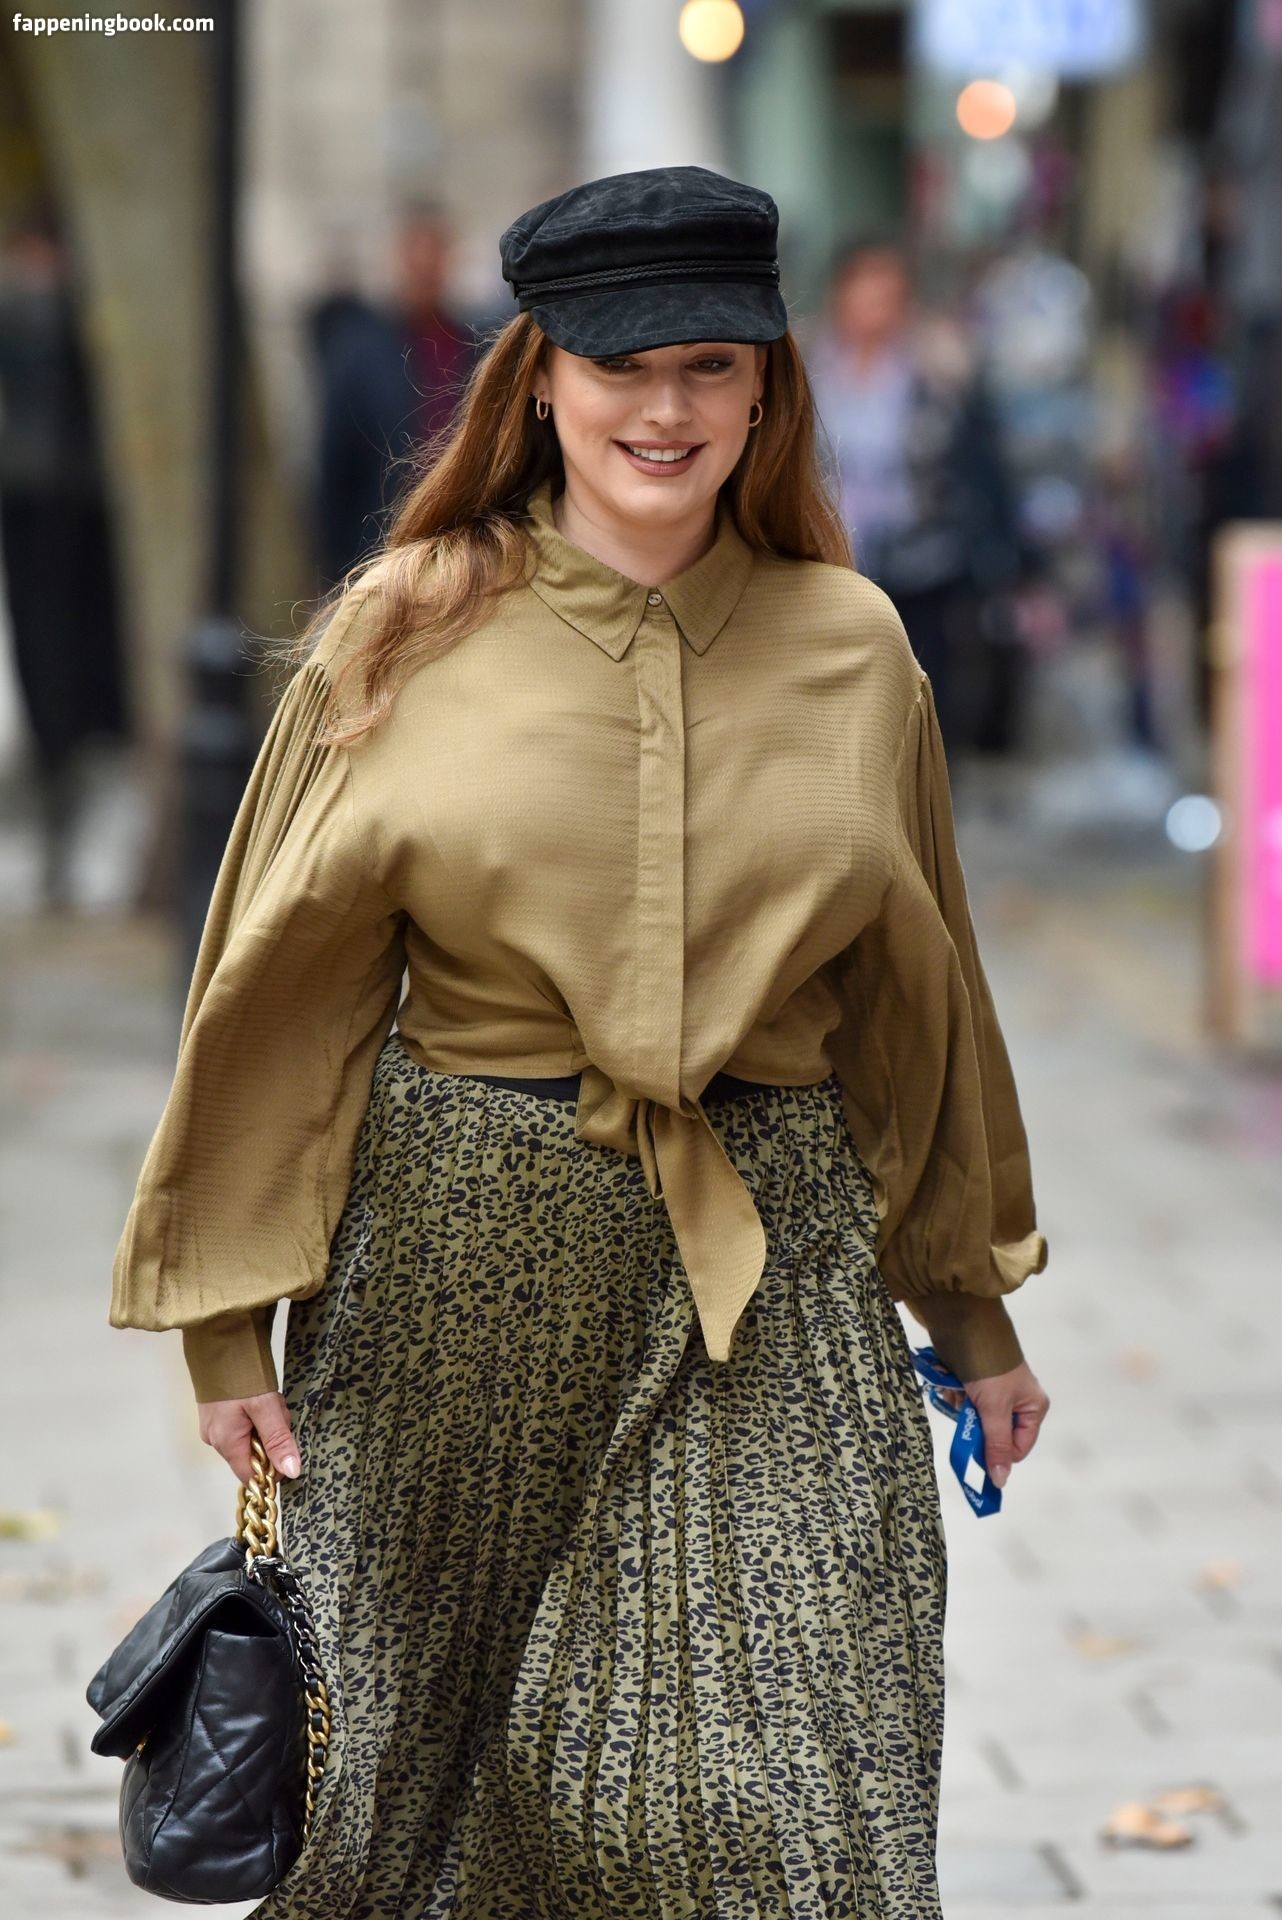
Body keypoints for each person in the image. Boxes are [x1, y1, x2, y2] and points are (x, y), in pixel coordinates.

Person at [109, 165, 1051, 1919]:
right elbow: (280, 997)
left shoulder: (855, 651)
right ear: (539, 380)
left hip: (774, 1263)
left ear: (764, 389)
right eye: (622, 364)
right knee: (417, 1815)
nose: (664, 408)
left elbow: (920, 1006)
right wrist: (226, 1326)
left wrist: (968, 1310)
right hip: (457, 1268)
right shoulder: (403, 628)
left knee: (785, 1798)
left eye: (709, 365)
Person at [808, 237, 1027, 757]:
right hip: (828, 562)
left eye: (888, 296)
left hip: (920, 564)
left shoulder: (937, 370)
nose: (875, 309)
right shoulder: (806, 366)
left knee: (920, 694)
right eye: (864, 292)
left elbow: (976, 465)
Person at [310, 199, 480, 586]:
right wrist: (335, 573)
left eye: (434, 251)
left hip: (462, 553)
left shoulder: (473, 346)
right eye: (413, 251)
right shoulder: (360, 351)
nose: (424, 265)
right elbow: (335, 467)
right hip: (380, 555)